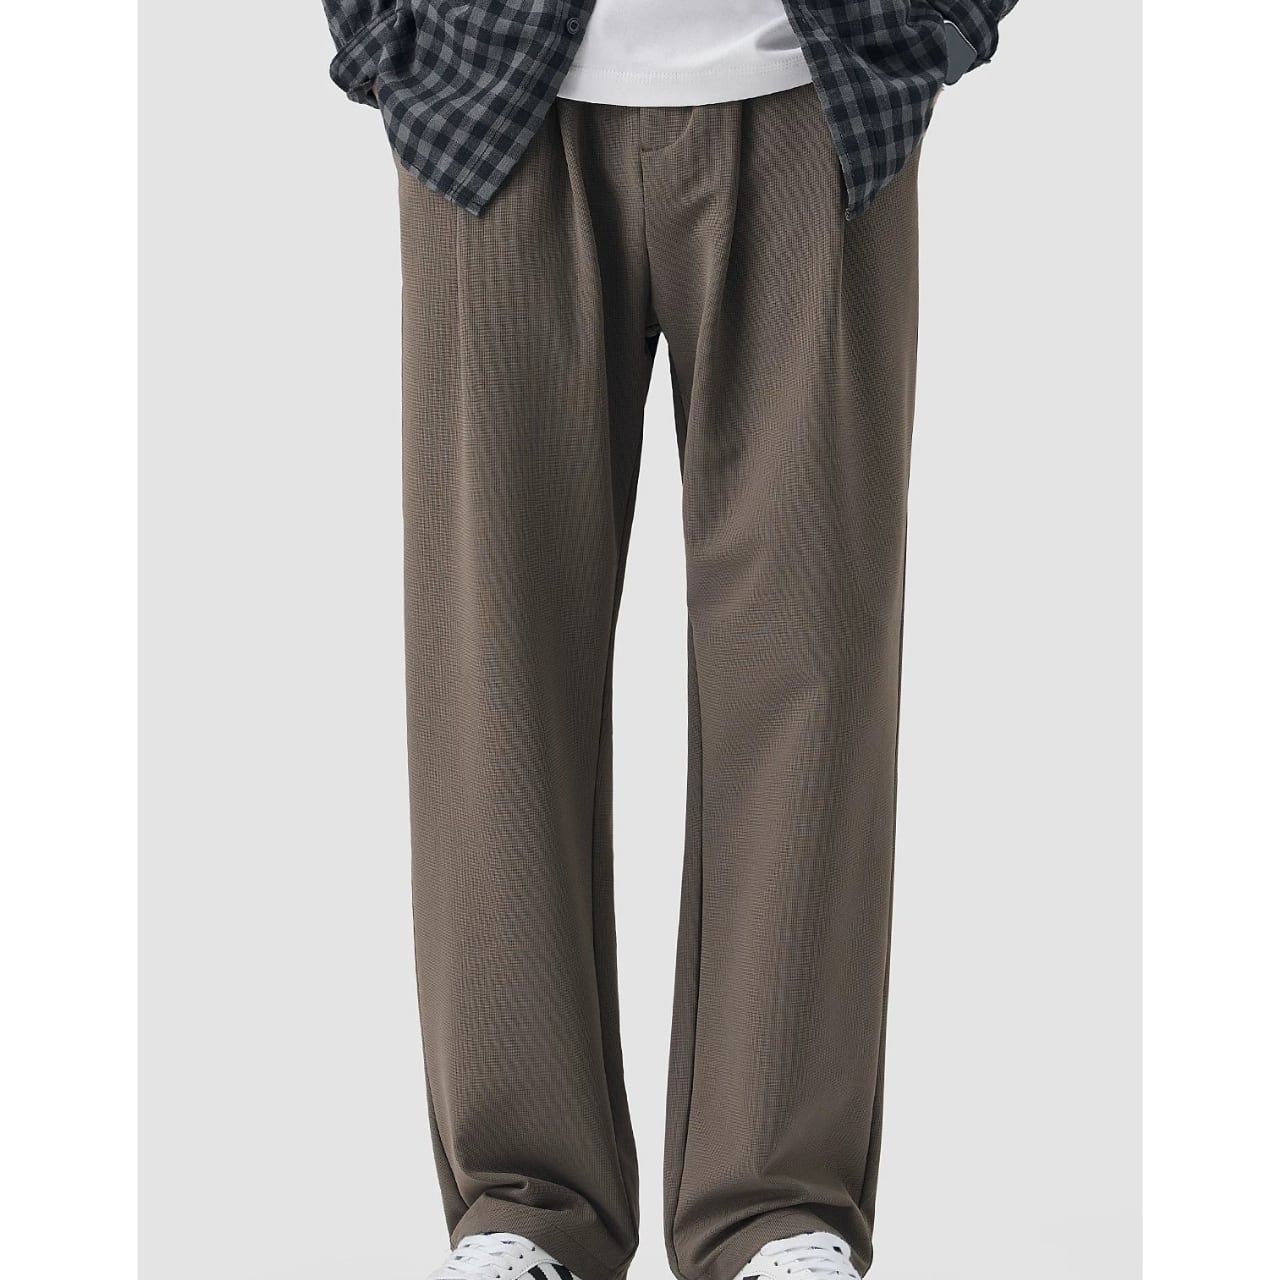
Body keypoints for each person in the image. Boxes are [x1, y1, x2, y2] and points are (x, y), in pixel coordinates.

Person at [319, 3, 1017, 1279]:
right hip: (490, 91)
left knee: (812, 661)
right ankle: (522, 1201)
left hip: (815, 88)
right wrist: (385, 39)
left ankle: (777, 1202)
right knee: (492, 666)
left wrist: (937, 25)